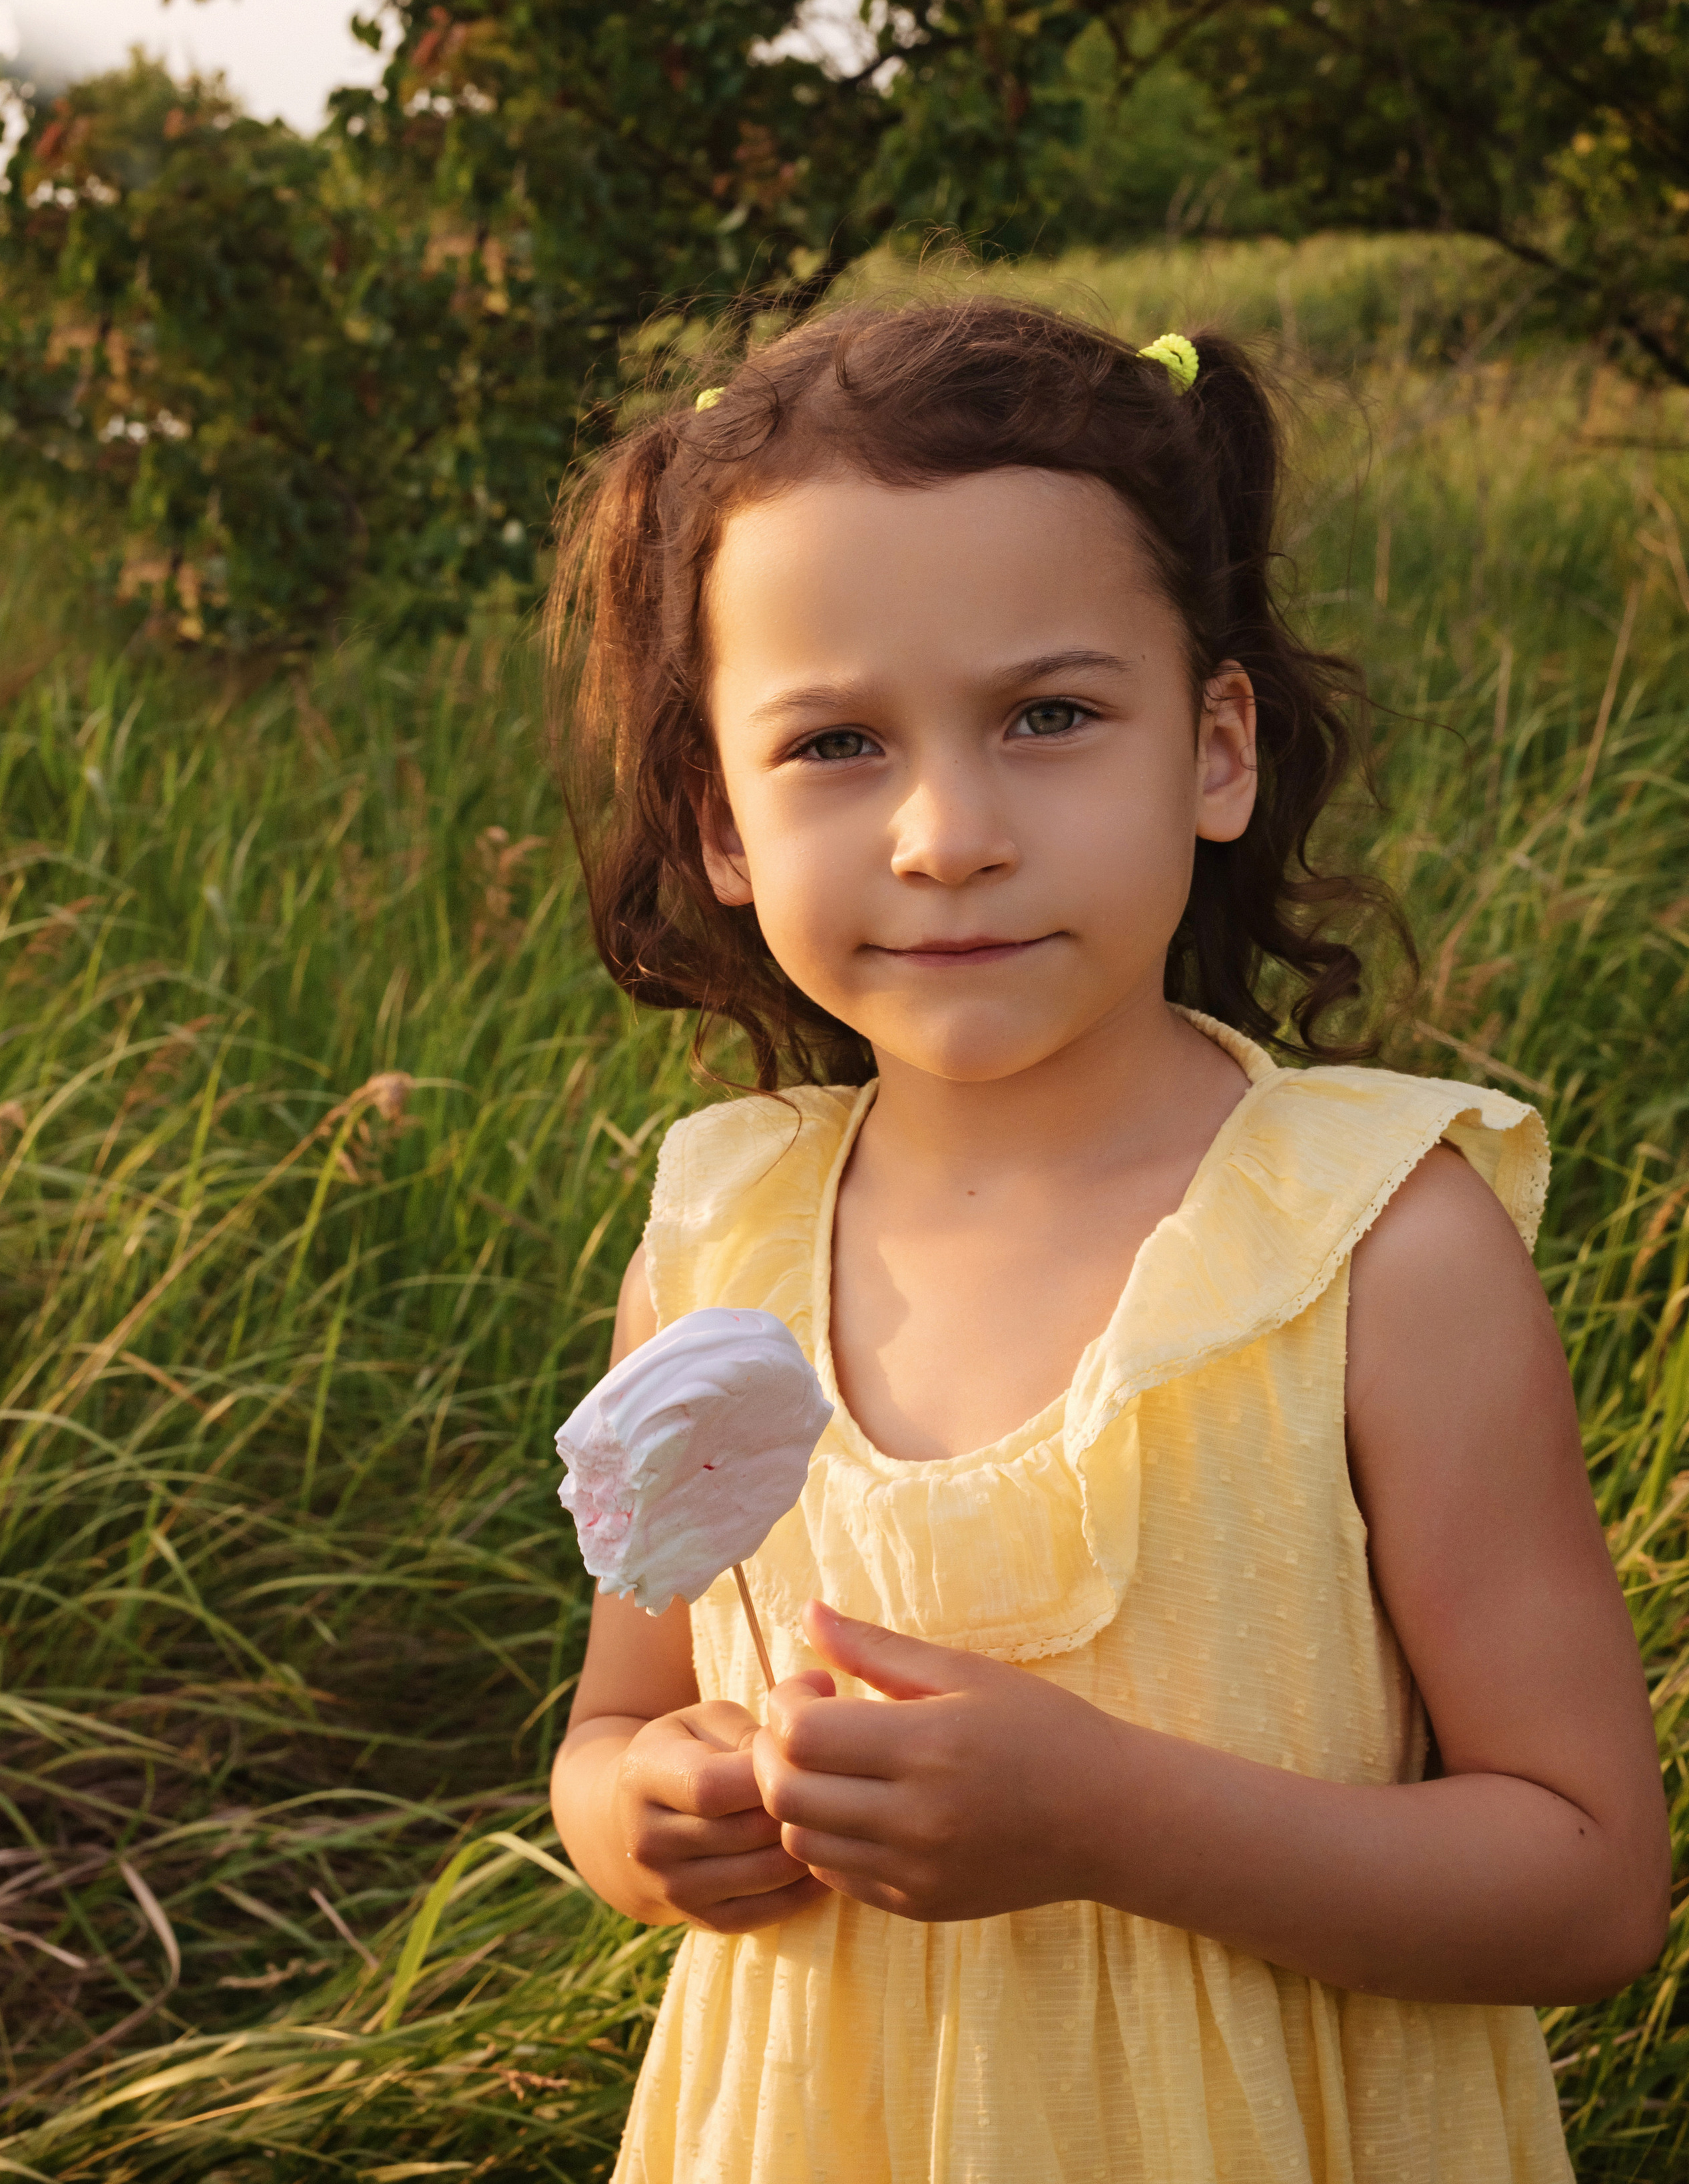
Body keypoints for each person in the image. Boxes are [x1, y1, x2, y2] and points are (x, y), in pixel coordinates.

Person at [547, 297, 1667, 2183]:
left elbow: (1586, 1883)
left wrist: (1112, 1819)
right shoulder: (712, 1247)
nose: (948, 831)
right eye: (832, 741)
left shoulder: (1381, 1248)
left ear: (1215, 748)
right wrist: (647, 1819)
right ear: (714, 820)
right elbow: (617, 1717)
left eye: (1048, 715)